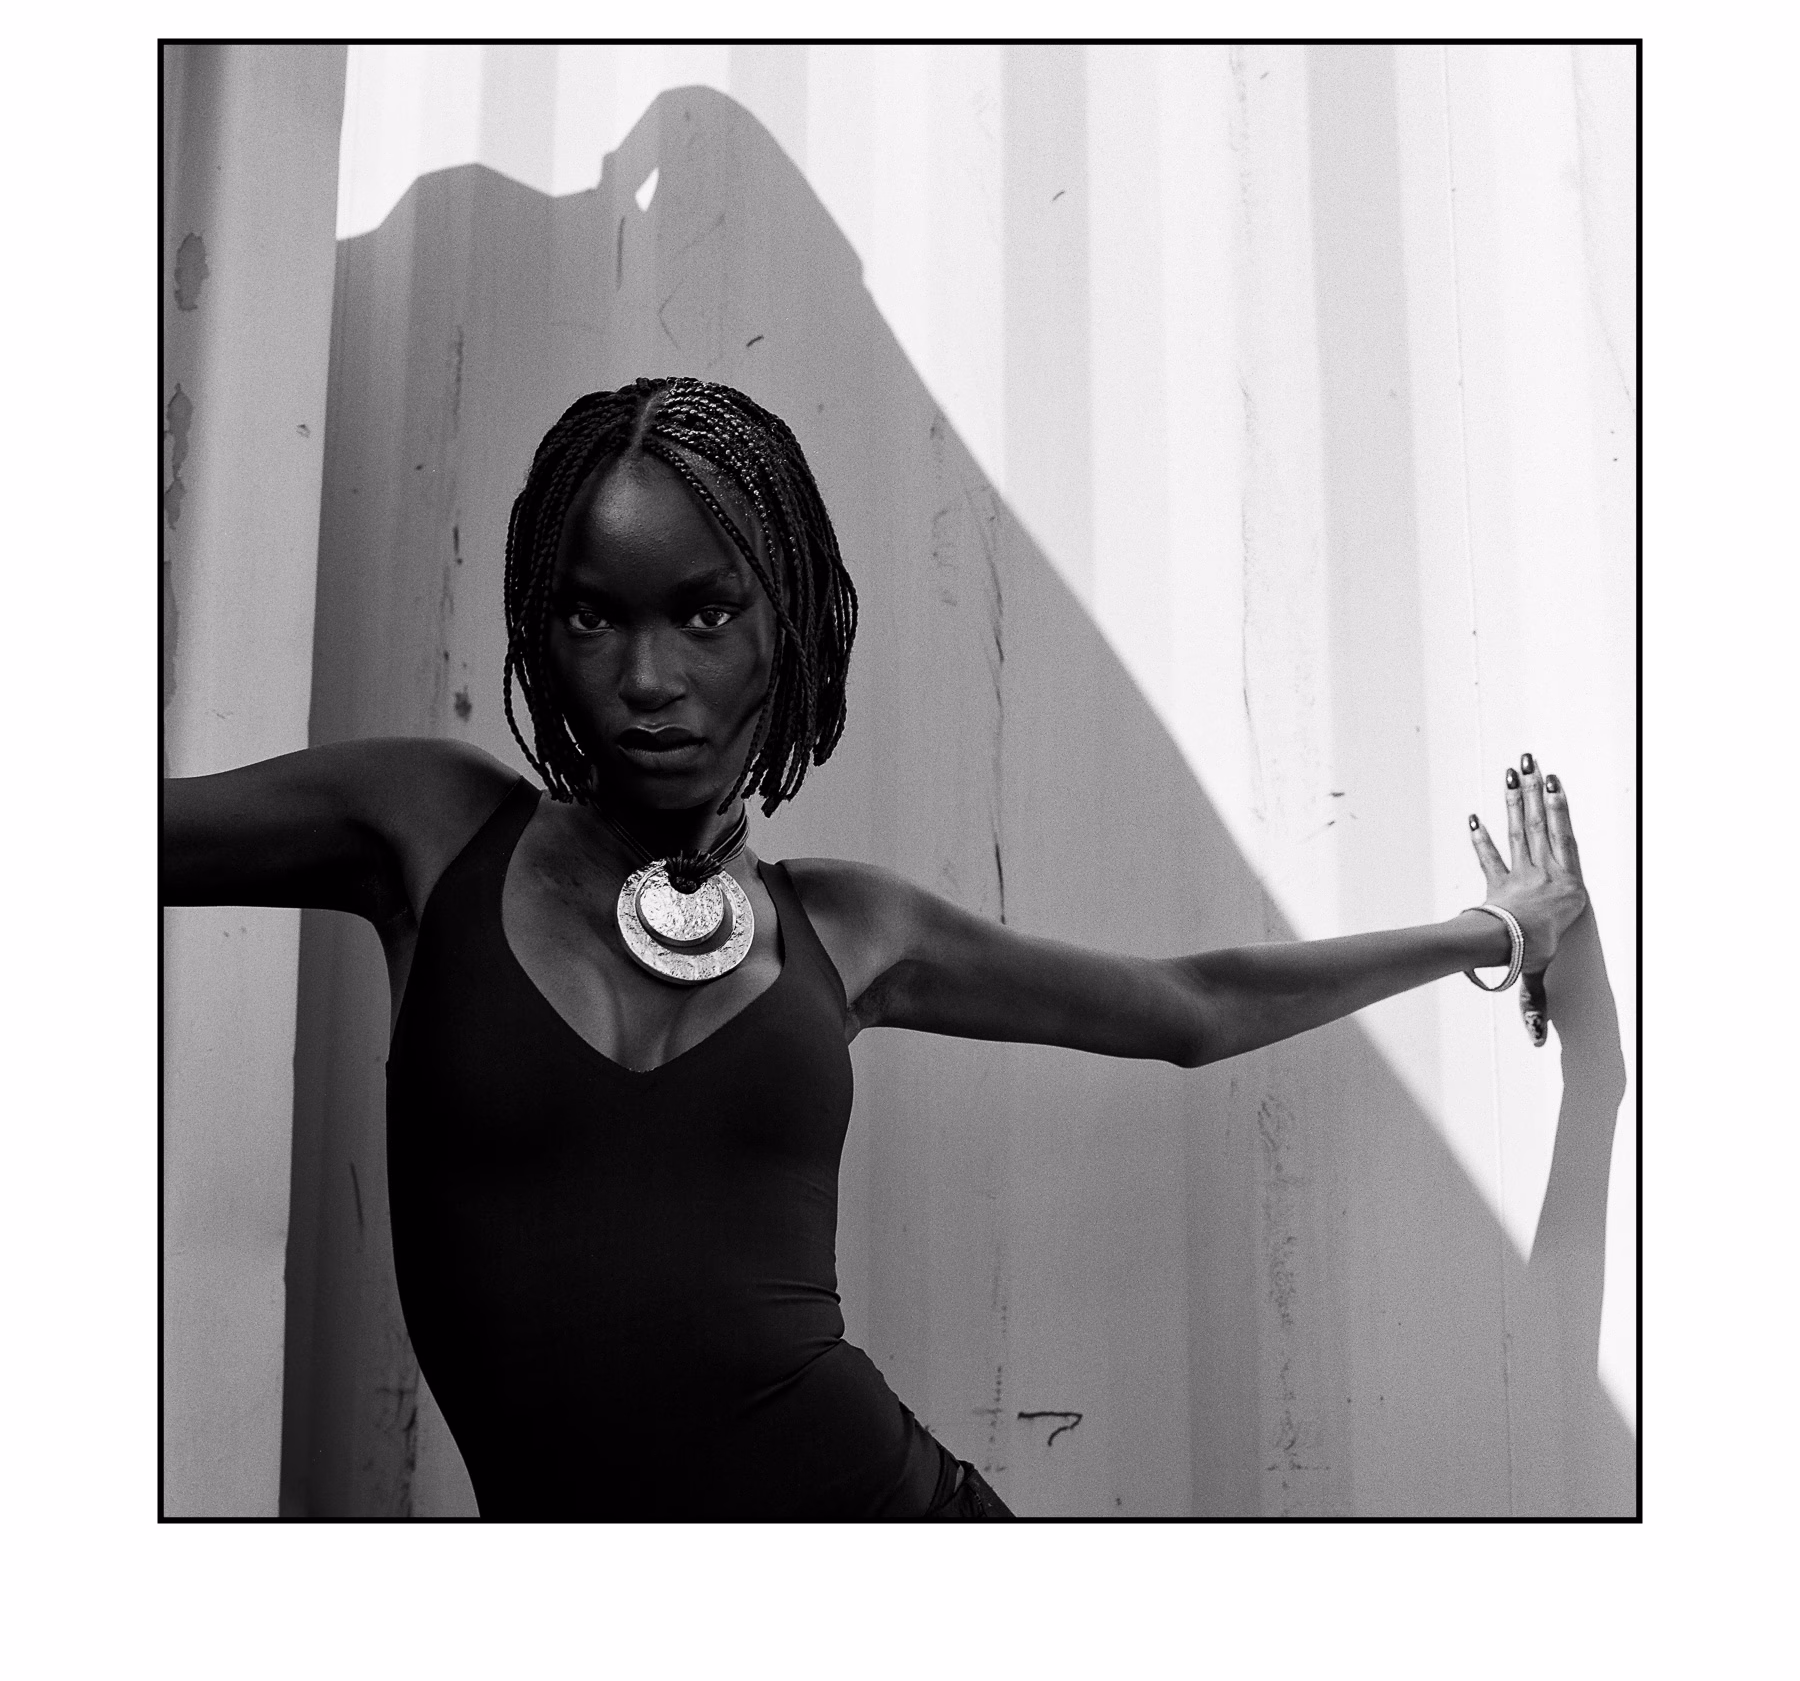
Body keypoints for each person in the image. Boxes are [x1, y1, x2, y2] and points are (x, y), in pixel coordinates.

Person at [163, 376, 1589, 1520]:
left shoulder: (848, 928)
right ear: (543, 626)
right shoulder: (425, 831)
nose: (648, 677)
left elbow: (1190, 1007)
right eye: (594, 615)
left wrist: (1495, 930)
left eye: (704, 612)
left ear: (786, 630)